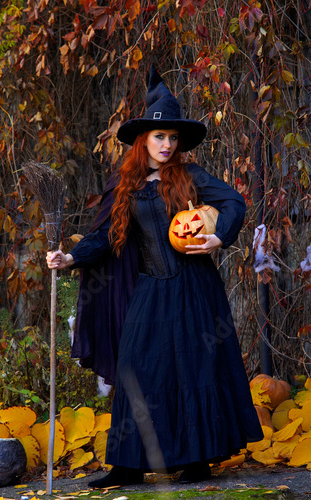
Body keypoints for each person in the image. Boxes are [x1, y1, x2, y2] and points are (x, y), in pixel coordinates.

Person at [46, 66, 263, 488]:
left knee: (194, 366)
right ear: (143, 139)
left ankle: (198, 459)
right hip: (149, 288)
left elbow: (234, 201)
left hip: (195, 288)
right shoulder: (126, 185)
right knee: (136, 367)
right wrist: (70, 257)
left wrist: (219, 237)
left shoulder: (190, 177)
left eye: (172, 138)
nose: (166, 144)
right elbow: (107, 236)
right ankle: (127, 465)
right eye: (159, 136)